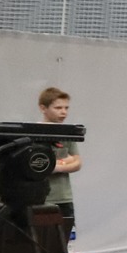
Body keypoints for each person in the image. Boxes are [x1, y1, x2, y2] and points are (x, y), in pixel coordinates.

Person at [36, 87, 81, 238]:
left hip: (64, 197)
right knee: (42, 239)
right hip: (42, 198)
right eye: (58, 108)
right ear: (43, 108)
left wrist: (55, 166)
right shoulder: (33, 133)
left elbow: (77, 162)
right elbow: (35, 165)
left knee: (65, 239)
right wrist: (65, 161)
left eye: (66, 108)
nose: (63, 112)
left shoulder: (67, 133)